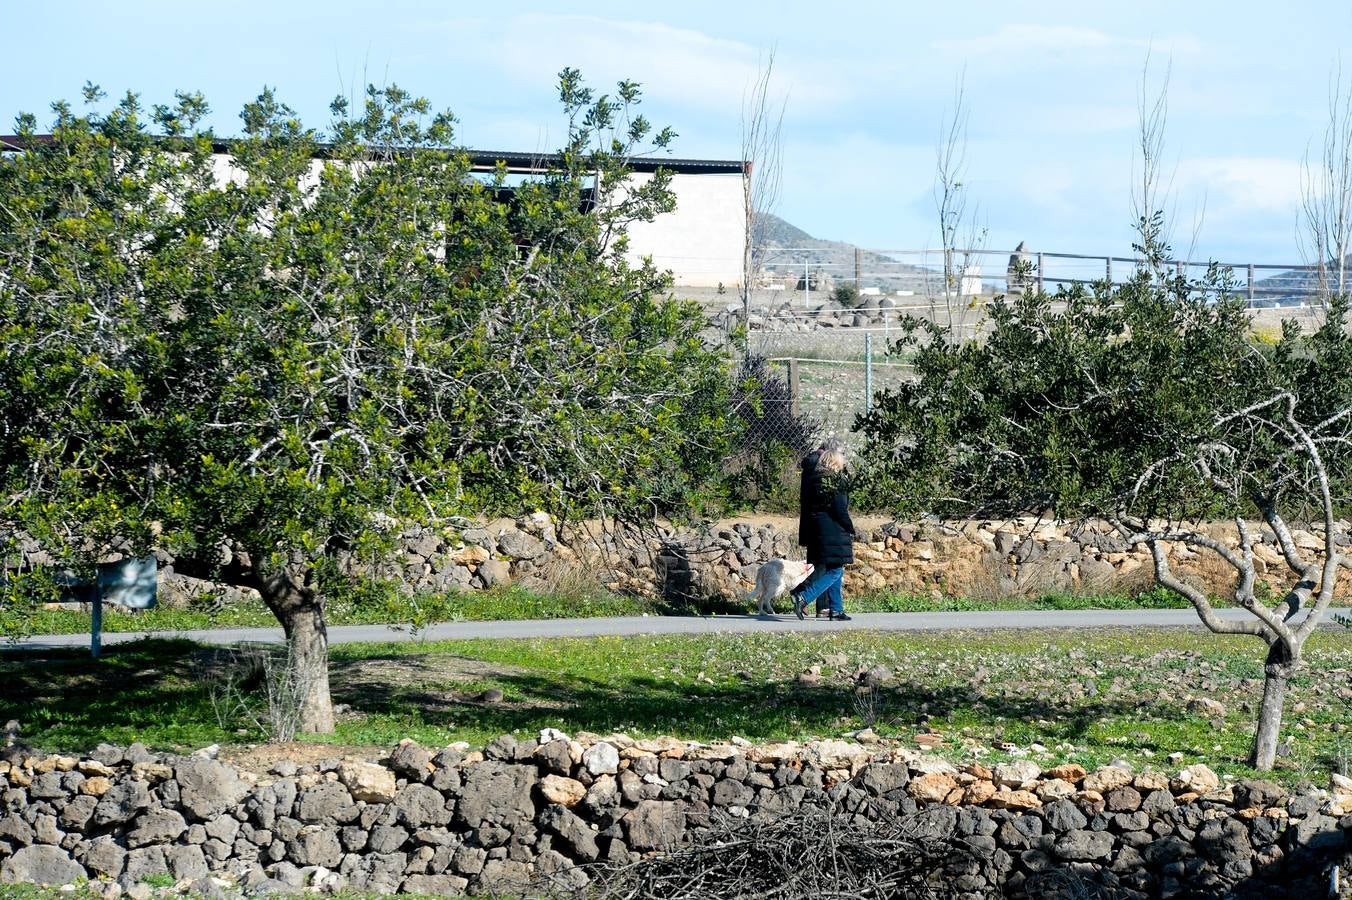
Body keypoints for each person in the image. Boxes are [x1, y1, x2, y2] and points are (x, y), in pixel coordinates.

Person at [792, 438, 854, 621]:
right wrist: (850, 527)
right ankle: (804, 596)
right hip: (833, 530)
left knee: (833, 568)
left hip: (818, 528)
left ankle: (836, 609)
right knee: (835, 570)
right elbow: (840, 508)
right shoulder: (836, 482)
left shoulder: (815, 479)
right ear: (835, 462)